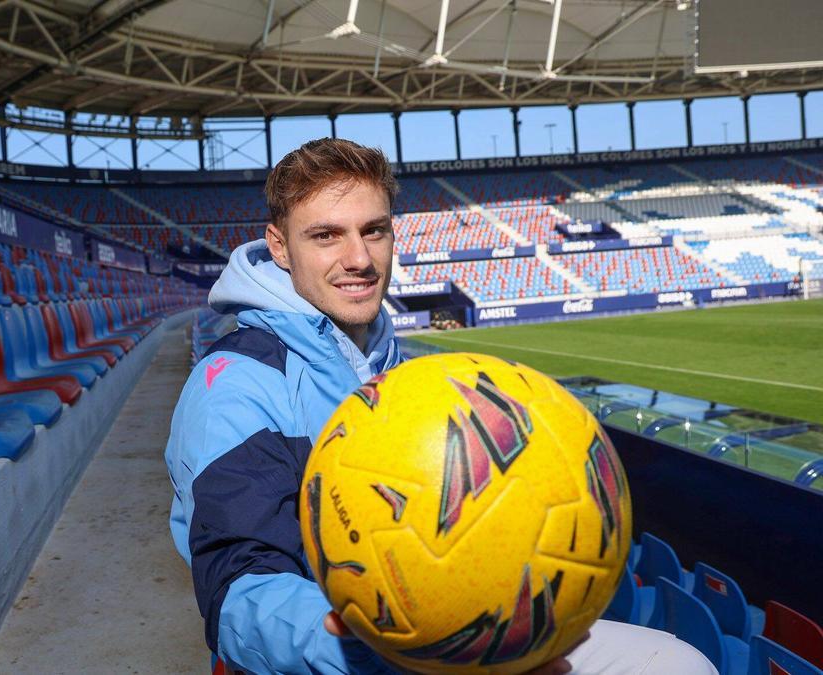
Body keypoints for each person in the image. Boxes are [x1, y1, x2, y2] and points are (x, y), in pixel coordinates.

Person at [164, 138, 716, 675]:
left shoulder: (395, 368)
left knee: (676, 662)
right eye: (327, 235)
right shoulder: (235, 385)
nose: (358, 257)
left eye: (373, 230)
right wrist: (391, 654)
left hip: (459, 631)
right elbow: (240, 593)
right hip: (341, 657)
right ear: (280, 246)